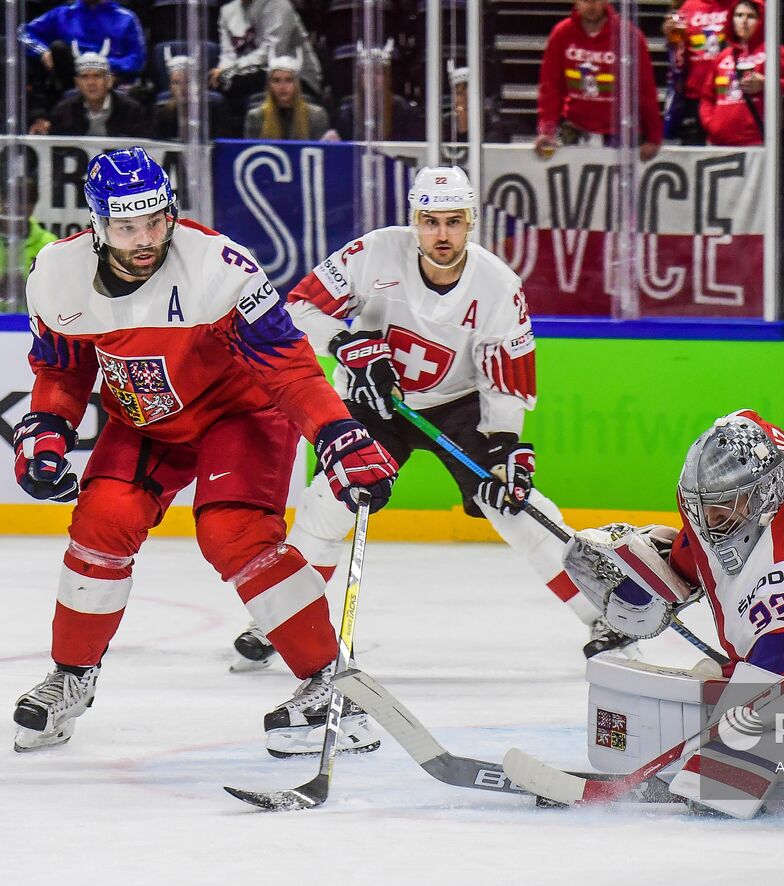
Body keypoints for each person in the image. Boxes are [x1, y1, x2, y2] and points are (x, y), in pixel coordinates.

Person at [12, 148, 398, 757]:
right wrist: (47, 430)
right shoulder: (56, 276)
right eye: (126, 225)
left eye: (155, 221)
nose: (145, 239)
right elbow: (62, 369)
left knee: (235, 533)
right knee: (100, 524)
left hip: (238, 412)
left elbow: (289, 368)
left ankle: (331, 687)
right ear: (96, 224)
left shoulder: (221, 268)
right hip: (144, 419)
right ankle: (72, 676)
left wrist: (338, 434)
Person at [227, 165, 616, 670]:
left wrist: (503, 445)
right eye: (431, 221)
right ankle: (279, 618)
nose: (442, 234)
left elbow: (506, 374)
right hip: (377, 400)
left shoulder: (498, 285)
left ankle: (604, 613)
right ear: (414, 220)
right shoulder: (373, 253)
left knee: (516, 508)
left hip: (460, 406)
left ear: (471, 221)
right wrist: (347, 345)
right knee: (330, 500)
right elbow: (297, 311)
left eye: (454, 222)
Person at [562, 410, 784, 817]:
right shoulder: (745, 446)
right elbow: (711, 519)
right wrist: (674, 566)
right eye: (704, 508)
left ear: (765, 495)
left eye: (725, 508)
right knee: (733, 680)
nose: (710, 521)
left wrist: (719, 774)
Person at [535, 0, 662, 162]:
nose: (591, 6)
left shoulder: (629, 35)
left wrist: (653, 137)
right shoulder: (562, 33)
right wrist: (546, 131)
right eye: (586, 0)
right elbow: (550, 86)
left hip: (619, 132)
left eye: (596, 0)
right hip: (574, 129)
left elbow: (645, 89)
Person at [699, 0, 784, 147]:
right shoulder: (723, 56)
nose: (743, 21)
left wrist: (766, 83)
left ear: (761, 20)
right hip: (718, 142)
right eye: (739, 15)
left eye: (751, 16)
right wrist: (711, 124)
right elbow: (707, 96)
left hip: (756, 142)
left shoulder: (774, 51)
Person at [20, 0, 146, 108]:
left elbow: (137, 60)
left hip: (112, 80)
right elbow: (22, 33)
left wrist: (101, 64)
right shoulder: (62, 13)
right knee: (58, 48)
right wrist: (42, 51)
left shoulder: (127, 18)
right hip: (69, 81)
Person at [212, 0, 323, 116]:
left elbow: (272, 52)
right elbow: (228, 54)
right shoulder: (227, 11)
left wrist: (230, 70)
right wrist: (221, 71)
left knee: (232, 82)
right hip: (252, 73)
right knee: (219, 85)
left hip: (297, 76)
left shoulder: (278, 5)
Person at [33, 49, 151, 138]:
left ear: (109, 81)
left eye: (97, 76)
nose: (91, 83)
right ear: (77, 83)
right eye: (84, 77)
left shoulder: (132, 110)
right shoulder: (62, 112)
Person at [660, 0, 729, 143]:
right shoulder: (688, 7)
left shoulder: (738, 6)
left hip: (727, 96)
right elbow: (678, 55)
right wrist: (671, 39)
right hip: (694, 96)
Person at [244, 52, 333, 140]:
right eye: (276, 80)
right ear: (269, 85)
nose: (282, 86)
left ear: (297, 84)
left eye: (288, 80)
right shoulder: (255, 117)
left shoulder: (316, 116)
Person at [0, 178, 60, 278]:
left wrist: (25, 285)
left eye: (24, 202)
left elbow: (55, 284)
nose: (17, 207)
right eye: (11, 200)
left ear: (33, 206)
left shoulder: (49, 244)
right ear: (2, 201)